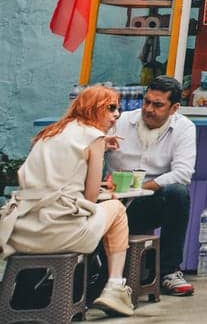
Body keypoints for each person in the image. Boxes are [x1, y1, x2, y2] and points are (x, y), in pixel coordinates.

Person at [0, 86, 137, 317]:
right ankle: (114, 287)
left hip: (22, 230)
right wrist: (100, 148)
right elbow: (91, 196)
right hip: (61, 229)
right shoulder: (94, 137)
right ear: (93, 108)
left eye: (118, 109)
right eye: (111, 107)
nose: (116, 114)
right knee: (116, 208)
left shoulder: (50, 133)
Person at [105, 74, 196, 295]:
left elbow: (183, 173)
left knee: (178, 193)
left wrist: (144, 188)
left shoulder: (184, 128)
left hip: (149, 201)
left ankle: (168, 271)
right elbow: (91, 148)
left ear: (174, 108)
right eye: (146, 102)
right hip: (113, 201)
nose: (149, 109)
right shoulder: (122, 121)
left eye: (158, 105)